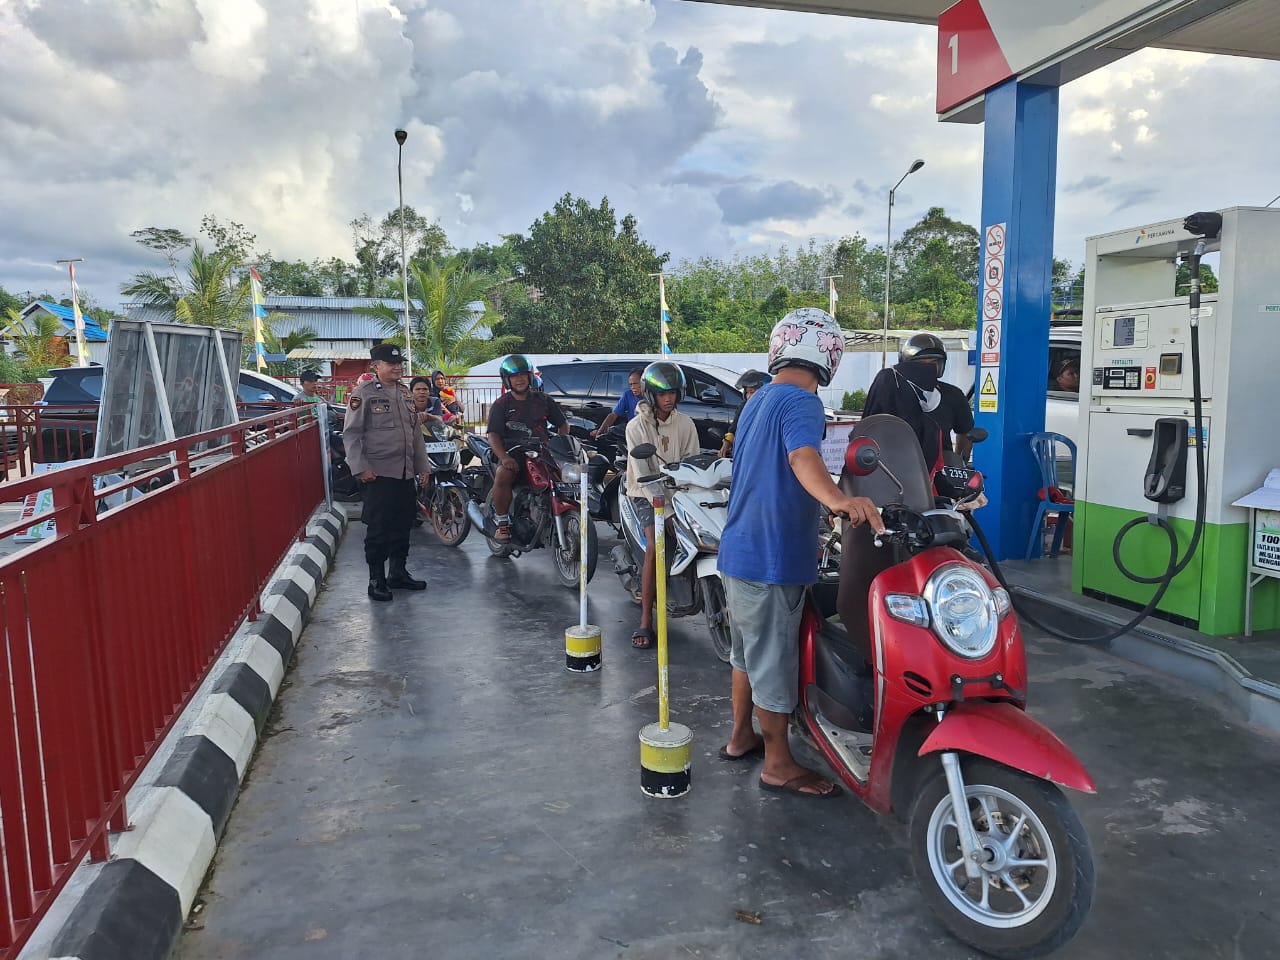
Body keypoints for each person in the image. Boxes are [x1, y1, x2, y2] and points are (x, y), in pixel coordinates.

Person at [718, 308, 885, 799]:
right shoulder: (802, 402)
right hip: (771, 557)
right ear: (830, 357)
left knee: (746, 656)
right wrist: (839, 500)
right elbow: (801, 456)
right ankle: (778, 764)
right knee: (772, 663)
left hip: (739, 551)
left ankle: (741, 737)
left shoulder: (758, 399)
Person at [343, 344, 430, 601]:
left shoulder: (404, 393)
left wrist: (423, 467)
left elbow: (415, 434)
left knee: (403, 525)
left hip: (405, 473)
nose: (397, 367)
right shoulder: (364, 394)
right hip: (378, 474)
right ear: (376, 366)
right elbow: (352, 434)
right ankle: (376, 580)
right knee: (379, 529)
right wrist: (360, 468)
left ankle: (398, 573)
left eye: (399, 363)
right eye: (391, 363)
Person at [624, 362, 701, 649]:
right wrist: (667, 512)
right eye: (662, 394)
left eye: (673, 393)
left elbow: (692, 464)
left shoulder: (686, 423)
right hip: (644, 494)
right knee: (656, 546)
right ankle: (646, 619)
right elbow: (644, 476)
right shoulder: (636, 427)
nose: (669, 398)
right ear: (650, 394)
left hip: (678, 492)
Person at [486, 354, 569, 543]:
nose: (520, 379)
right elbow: (493, 435)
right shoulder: (501, 404)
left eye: (523, 375)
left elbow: (563, 424)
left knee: (564, 476)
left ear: (530, 376)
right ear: (507, 380)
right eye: (514, 376)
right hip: (512, 452)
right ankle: (502, 523)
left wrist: (562, 444)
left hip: (542, 451)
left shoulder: (544, 400)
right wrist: (504, 457)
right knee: (503, 474)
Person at [862, 332, 948, 475]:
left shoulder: (948, 398)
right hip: (876, 473)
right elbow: (867, 432)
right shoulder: (888, 380)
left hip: (921, 482)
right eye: (921, 366)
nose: (927, 372)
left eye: (934, 364)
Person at [718, 369, 771, 458]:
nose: (749, 396)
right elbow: (734, 427)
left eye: (752, 392)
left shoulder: (771, 410)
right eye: (747, 392)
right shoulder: (744, 407)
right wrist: (728, 441)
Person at [593, 367, 645, 438]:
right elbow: (613, 415)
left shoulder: (653, 396)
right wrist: (600, 432)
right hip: (633, 432)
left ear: (643, 382)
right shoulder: (628, 395)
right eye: (631, 384)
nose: (633, 387)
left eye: (635, 384)